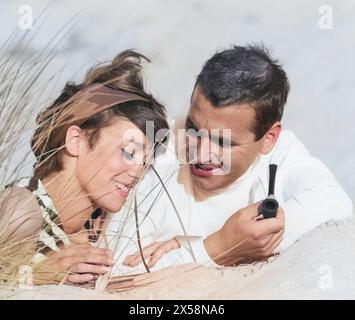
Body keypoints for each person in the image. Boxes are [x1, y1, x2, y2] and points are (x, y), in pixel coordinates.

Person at [113, 44, 353, 273]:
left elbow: (337, 207)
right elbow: (115, 273)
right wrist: (220, 247)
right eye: (193, 128)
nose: (200, 153)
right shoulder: (158, 148)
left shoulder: (283, 153)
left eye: (223, 142)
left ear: (269, 138)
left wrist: (198, 245)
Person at [0, 50, 169, 284]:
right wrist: (40, 274)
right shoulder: (21, 209)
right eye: (129, 152)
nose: (138, 172)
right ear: (76, 140)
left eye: (145, 162)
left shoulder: (101, 229)